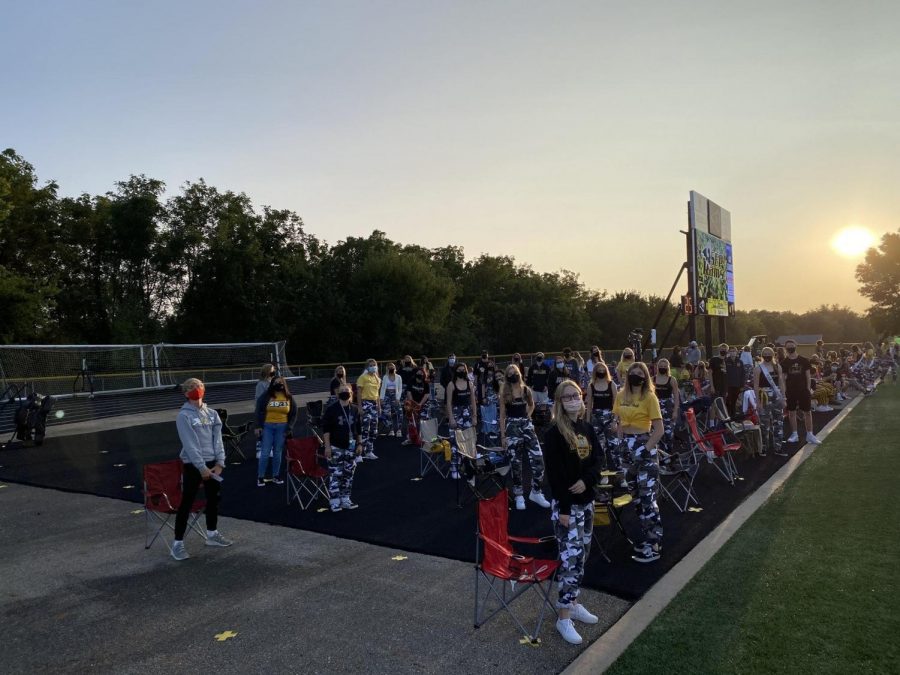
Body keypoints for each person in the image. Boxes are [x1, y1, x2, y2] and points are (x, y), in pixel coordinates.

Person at [542, 379, 601, 645]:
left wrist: (587, 481)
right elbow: (554, 475)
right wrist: (564, 508)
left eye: (576, 395)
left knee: (583, 555)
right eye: (567, 396)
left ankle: (573, 601)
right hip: (567, 507)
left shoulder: (587, 428)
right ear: (559, 401)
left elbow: (597, 462)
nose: (573, 400)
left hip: (586, 503)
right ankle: (563, 616)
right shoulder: (555, 433)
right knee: (570, 559)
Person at [172, 378, 232, 561]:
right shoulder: (184, 416)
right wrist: (201, 467)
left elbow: (218, 440)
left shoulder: (212, 414)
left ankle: (212, 534)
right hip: (193, 465)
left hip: (213, 463)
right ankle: (177, 544)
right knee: (187, 502)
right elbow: (190, 444)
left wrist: (220, 462)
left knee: (214, 499)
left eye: (198, 386)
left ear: (204, 389)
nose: (195, 390)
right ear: (185, 393)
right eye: (191, 388)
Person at [613, 361, 664, 563]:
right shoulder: (620, 395)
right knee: (635, 498)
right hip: (626, 447)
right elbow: (617, 421)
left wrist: (646, 449)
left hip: (644, 446)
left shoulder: (650, 397)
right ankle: (647, 537)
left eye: (639, 373)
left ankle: (655, 544)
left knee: (647, 498)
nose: (635, 376)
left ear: (645, 377)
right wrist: (618, 441)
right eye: (632, 373)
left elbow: (659, 430)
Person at [499, 364, 550, 510]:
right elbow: (502, 415)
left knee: (538, 458)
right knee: (516, 462)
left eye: (514, 372)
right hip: (511, 428)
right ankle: (519, 494)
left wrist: (527, 416)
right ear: (507, 376)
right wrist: (503, 436)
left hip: (526, 425)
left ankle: (536, 491)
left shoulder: (526, 390)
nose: (512, 375)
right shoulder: (504, 393)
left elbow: (532, 405)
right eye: (509, 373)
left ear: (519, 374)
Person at [322, 383, 363, 512]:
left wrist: (360, 444)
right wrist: (327, 447)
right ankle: (334, 501)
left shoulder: (355, 409)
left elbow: (358, 428)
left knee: (348, 474)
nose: (345, 392)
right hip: (335, 447)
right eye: (342, 390)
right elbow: (326, 430)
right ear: (338, 393)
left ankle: (345, 498)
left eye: (347, 390)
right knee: (335, 474)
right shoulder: (331, 409)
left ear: (351, 393)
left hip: (351, 447)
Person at [254, 374, 298, 487]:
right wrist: (258, 426)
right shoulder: (266, 396)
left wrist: (289, 427)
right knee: (265, 452)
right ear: (272, 384)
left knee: (278, 452)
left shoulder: (289, 397)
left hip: (282, 427)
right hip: (268, 426)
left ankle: (275, 475)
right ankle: (260, 477)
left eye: (281, 382)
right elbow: (258, 410)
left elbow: (294, 413)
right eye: (276, 382)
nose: (279, 384)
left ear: (284, 384)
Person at [781, 339, 820, 445]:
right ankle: (794, 434)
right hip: (790, 391)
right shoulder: (784, 363)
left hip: (803, 390)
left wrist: (808, 388)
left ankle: (810, 435)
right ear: (786, 348)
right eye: (788, 346)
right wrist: (784, 393)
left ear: (795, 346)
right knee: (792, 412)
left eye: (792, 345)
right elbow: (783, 379)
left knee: (807, 412)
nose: (790, 348)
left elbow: (808, 376)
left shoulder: (804, 360)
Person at [446, 361, 478, 479]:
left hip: (468, 414)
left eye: (463, 369)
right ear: (455, 371)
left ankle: (468, 465)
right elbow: (448, 403)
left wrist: (474, 416)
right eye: (459, 370)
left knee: (469, 440)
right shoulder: (451, 384)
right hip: (456, 414)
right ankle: (454, 467)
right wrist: (451, 418)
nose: (461, 372)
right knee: (455, 442)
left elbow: (473, 401)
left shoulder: (470, 384)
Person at [754, 346, 785, 456]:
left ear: (773, 354)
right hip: (764, 397)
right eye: (765, 353)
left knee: (779, 423)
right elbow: (756, 386)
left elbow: (781, 383)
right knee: (764, 424)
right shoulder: (758, 368)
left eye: (769, 353)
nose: (767, 355)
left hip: (777, 397)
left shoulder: (778, 367)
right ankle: (764, 447)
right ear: (762, 355)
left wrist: (783, 397)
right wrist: (757, 402)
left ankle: (778, 447)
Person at [652, 358, 680, 458]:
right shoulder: (652, 379)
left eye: (664, 366)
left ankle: (670, 456)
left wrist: (675, 411)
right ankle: (659, 457)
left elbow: (676, 396)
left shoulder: (672, 379)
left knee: (668, 433)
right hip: (655, 408)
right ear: (657, 367)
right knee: (656, 434)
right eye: (661, 366)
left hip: (668, 408)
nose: (662, 368)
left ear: (667, 367)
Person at [357, 359, 382, 460]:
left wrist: (379, 406)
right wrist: (359, 407)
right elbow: (358, 393)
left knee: (374, 430)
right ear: (367, 367)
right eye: (371, 365)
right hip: (365, 403)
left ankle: (369, 451)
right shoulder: (362, 377)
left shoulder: (377, 379)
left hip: (374, 404)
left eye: (374, 365)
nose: (373, 367)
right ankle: (359, 453)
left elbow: (377, 394)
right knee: (365, 429)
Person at [380, 363, 403, 437]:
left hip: (395, 395)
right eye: (389, 367)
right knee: (387, 413)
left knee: (399, 411)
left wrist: (398, 398)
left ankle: (399, 430)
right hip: (386, 395)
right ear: (387, 369)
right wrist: (381, 398)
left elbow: (400, 388)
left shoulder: (398, 377)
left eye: (392, 367)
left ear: (395, 368)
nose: (391, 368)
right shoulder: (385, 377)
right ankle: (391, 429)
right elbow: (383, 388)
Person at [724, 346, 744, 414]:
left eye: (734, 351)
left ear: (736, 352)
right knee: (728, 401)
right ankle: (729, 415)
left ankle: (733, 415)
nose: (733, 352)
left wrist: (742, 385)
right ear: (729, 352)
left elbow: (743, 374)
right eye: (731, 351)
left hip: (737, 385)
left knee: (734, 401)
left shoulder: (740, 362)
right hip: (728, 385)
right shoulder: (726, 361)